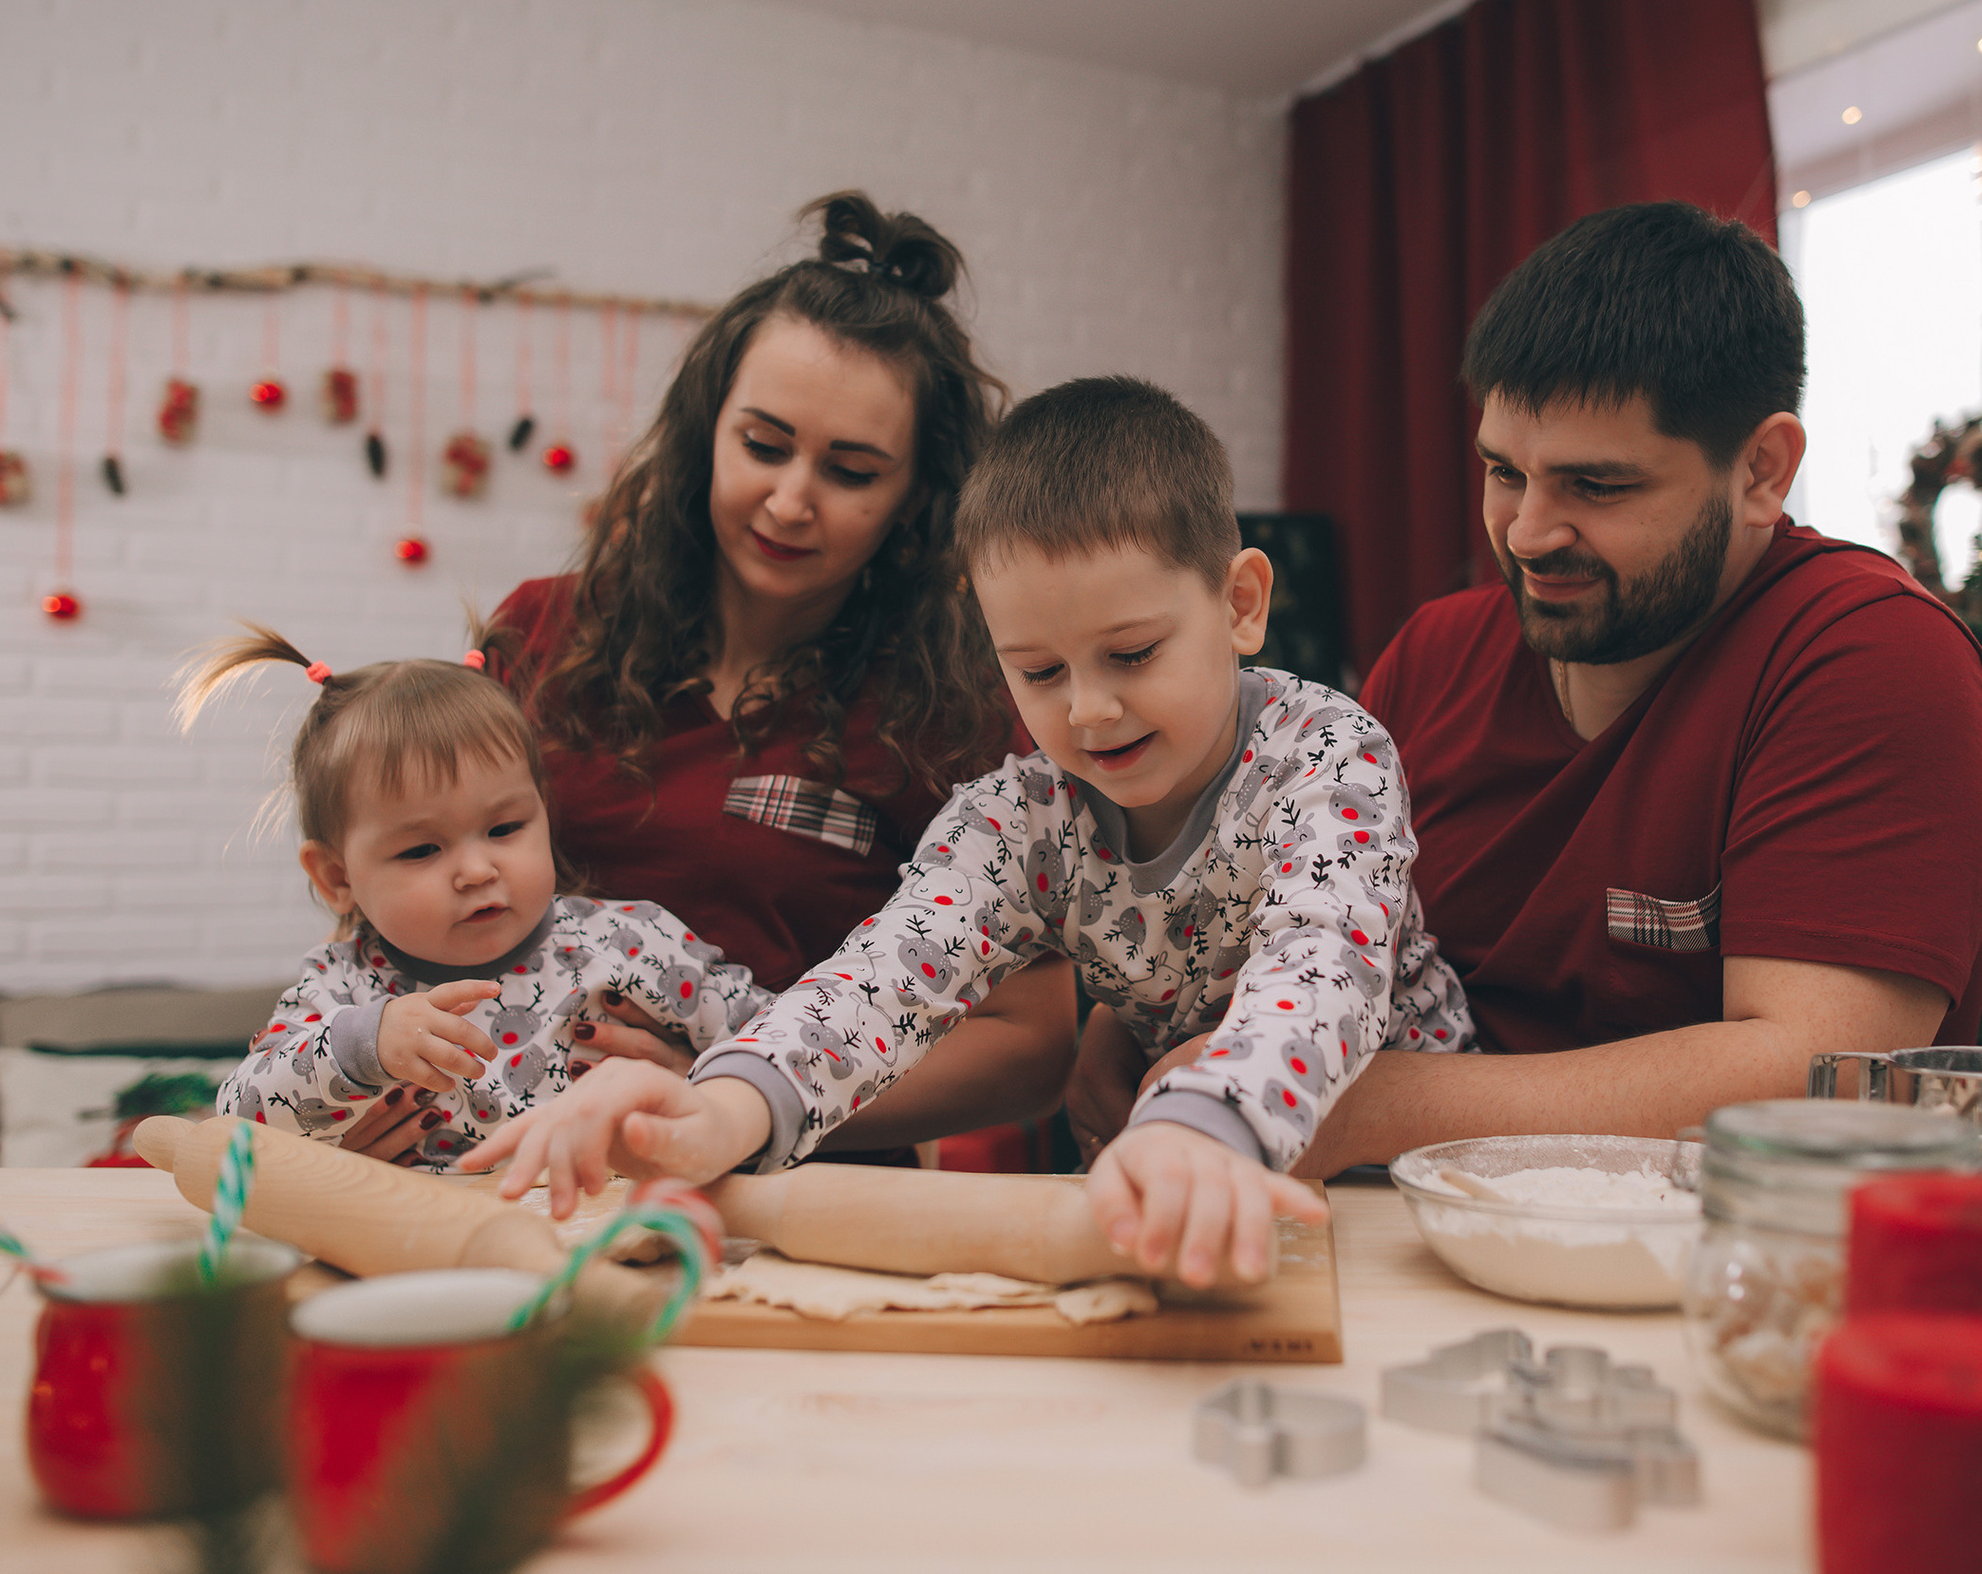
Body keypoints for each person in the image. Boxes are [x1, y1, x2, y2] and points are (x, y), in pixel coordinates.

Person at [464, 377, 1477, 1286]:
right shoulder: (1024, 813)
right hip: (1179, 1165)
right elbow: (878, 983)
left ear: (1240, 603)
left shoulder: (1329, 753)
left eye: (1130, 653)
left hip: (1400, 1195)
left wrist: (1197, 1126)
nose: (1087, 711)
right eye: (1038, 671)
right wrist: (716, 1107)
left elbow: (1319, 967)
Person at [1068, 201, 1982, 1171]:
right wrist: (1127, 1018)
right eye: (1502, 471)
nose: (1525, 533)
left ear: (1761, 471)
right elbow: (1274, 906)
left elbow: (1823, 1073)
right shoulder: (1433, 655)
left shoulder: (1870, 656)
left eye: (1596, 487)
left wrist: (1367, 1108)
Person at [343, 193, 1077, 1166]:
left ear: (915, 501)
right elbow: (398, 883)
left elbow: (1031, 1043)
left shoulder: (954, 707)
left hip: (791, 1198)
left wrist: (734, 1095)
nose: (789, 500)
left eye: (851, 471)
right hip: (500, 1163)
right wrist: (368, 1056)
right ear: (705, 431)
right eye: (763, 446)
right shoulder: (543, 630)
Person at [184, 626, 767, 1169]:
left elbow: (781, 1047)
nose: (476, 870)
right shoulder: (342, 992)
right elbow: (240, 1122)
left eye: (504, 828)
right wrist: (360, 1049)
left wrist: (705, 1092)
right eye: (421, 850)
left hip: (621, 1238)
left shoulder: (631, 945)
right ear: (337, 877)